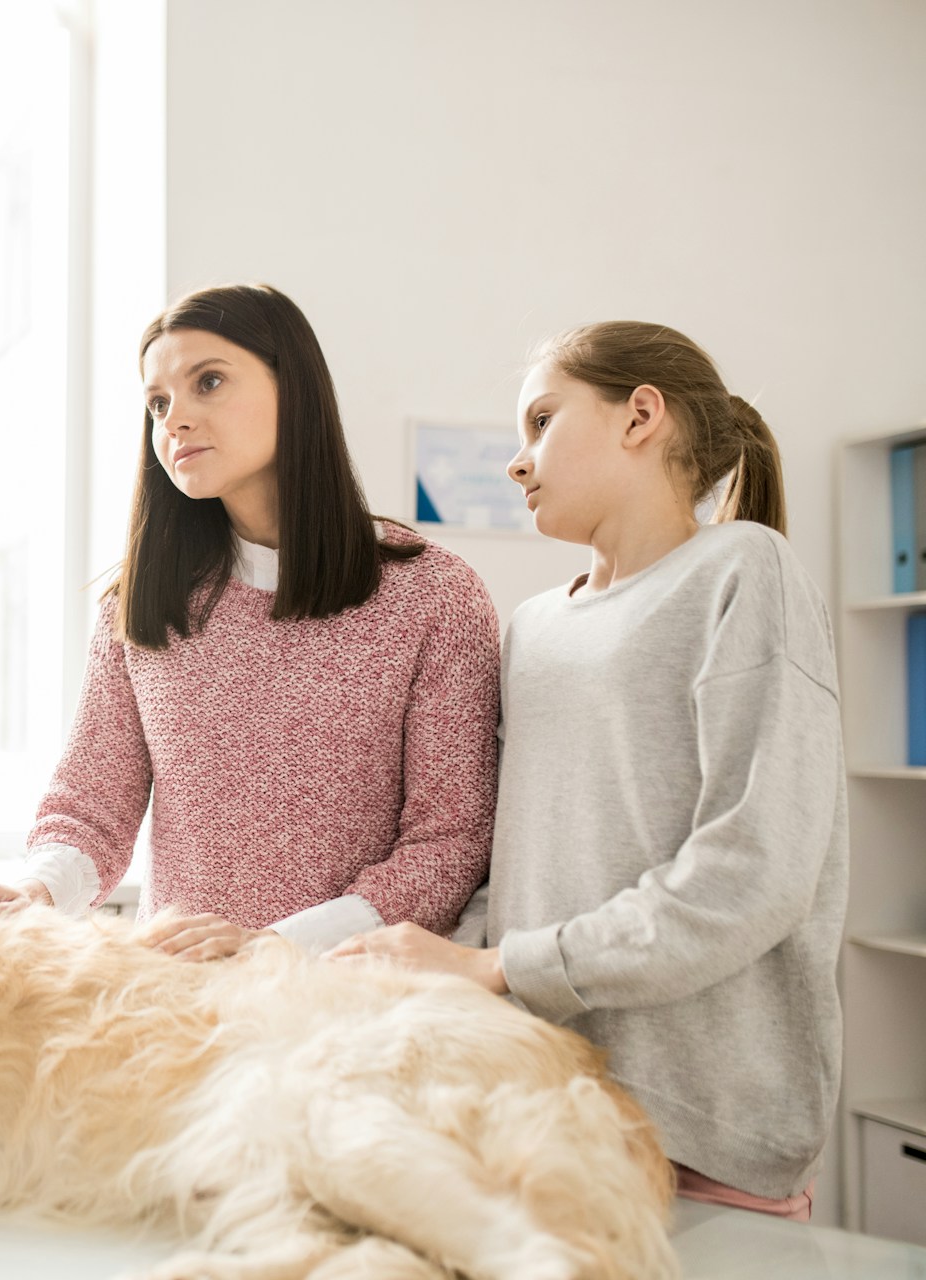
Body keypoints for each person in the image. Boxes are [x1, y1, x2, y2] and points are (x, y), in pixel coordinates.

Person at [330, 321, 847, 1221]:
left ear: (640, 415)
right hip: (543, 1105)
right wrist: (448, 968)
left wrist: (496, 969)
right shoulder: (532, 628)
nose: (517, 462)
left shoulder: (745, 569)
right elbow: (517, 864)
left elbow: (755, 874)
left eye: (540, 422)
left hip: (699, 1126)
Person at [0, 284, 500, 958]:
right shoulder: (137, 605)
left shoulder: (434, 596)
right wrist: (34, 891)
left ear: (295, 388)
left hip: (355, 1011)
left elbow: (449, 843)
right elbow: (91, 808)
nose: (174, 420)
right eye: (158, 403)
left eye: (208, 382)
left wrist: (277, 945)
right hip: (179, 1011)